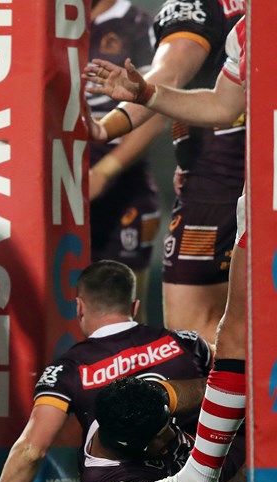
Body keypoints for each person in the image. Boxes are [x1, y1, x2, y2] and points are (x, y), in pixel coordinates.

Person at [82, 16, 247, 482]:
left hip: (224, 191)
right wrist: (147, 93)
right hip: (262, 191)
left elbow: (179, 61)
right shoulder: (249, 29)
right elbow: (223, 105)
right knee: (236, 334)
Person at [0, 260, 243, 482]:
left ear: (79, 307)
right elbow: (237, 380)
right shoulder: (186, 342)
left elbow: (31, 450)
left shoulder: (67, 370)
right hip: (220, 467)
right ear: (135, 305)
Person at [88, 0, 245, 345]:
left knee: (195, 332)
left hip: (217, 184)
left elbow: (171, 70)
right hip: (248, 181)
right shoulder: (248, 25)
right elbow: (224, 103)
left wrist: (110, 128)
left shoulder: (197, 7)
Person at [87, 0, 165, 318]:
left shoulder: (139, 26)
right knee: (62, 315)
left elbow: (156, 111)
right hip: (57, 191)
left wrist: (104, 172)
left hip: (122, 195)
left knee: (123, 320)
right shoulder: (46, 23)